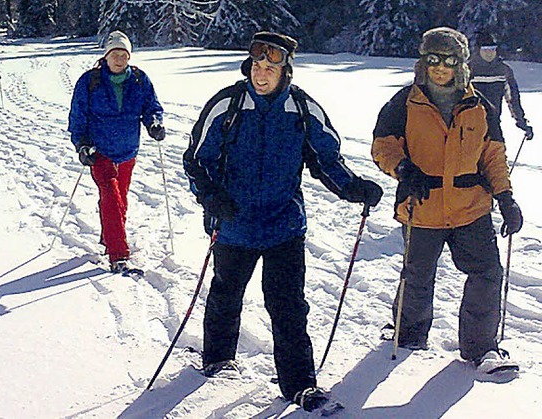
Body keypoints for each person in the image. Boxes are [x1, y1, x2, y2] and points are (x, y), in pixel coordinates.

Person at [184, 31, 383, 411]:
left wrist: (353, 187)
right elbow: (196, 159)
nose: (262, 73)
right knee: (227, 293)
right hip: (234, 223)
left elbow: (326, 159)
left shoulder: (302, 108)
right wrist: (210, 196)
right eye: (257, 65)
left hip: (283, 225)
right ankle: (218, 358)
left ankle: (300, 385)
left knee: (288, 304)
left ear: (285, 71)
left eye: (270, 67)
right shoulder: (227, 104)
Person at [371, 27, 523, 373]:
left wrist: (506, 198)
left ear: (461, 64)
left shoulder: (479, 106)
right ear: (423, 62)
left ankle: (482, 348)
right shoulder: (403, 102)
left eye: (449, 61)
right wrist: (404, 169)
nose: (440, 68)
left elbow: (493, 156)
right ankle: (407, 334)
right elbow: (383, 146)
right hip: (422, 206)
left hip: (471, 207)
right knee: (417, 275)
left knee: (486, 272)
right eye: (433, 60)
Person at [68, 30, 165, 273]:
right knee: (111, 195)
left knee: (119, 199)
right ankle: (118, 253)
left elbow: (151, 107)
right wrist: (81, 144)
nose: (119, 59)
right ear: (106, 56)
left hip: (128, 150)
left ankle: (108, 236)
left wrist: (154, 123)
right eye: (115, 54)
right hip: (99, 150)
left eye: (124, 54)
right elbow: (77, 116)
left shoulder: (140, 80)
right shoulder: (90, 81)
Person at [470, 32, 533, 140]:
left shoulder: (503, 71)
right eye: (485, 50)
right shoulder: (468, 70)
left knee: (497, 155)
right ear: (478, 50)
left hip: (493, 126)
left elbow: (513, 98)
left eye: (492, 49)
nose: (489, 53)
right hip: (469, 127)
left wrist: (521, 121)